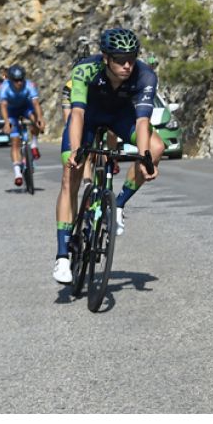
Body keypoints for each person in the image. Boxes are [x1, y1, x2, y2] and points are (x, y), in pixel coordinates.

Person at [53, 28, 165, 284]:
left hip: (120, 118)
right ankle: (62, 256)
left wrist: (145, 158)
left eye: (131, 58)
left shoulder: (145, 75)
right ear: (106, 58)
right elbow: (77, 113)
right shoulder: (85, 70)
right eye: (120, 59)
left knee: (157, 148)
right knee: (70, 176)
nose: (127, 65)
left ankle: (119, 204)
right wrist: (77, 150)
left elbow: (142, 121)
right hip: (89, 117)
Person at [0, 65, 46, 186]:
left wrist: (40, 119)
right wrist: (6, 123)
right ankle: (17, 174)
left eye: (21, 79)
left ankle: (34, 144)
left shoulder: (29, 85)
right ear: (10, 80)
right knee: (15, 141)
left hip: (26, 108)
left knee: (36, 120)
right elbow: (3, 106)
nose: (19, 83)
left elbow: (35, 103)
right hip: (11, 112)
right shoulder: (4, 87)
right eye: (16, 80)